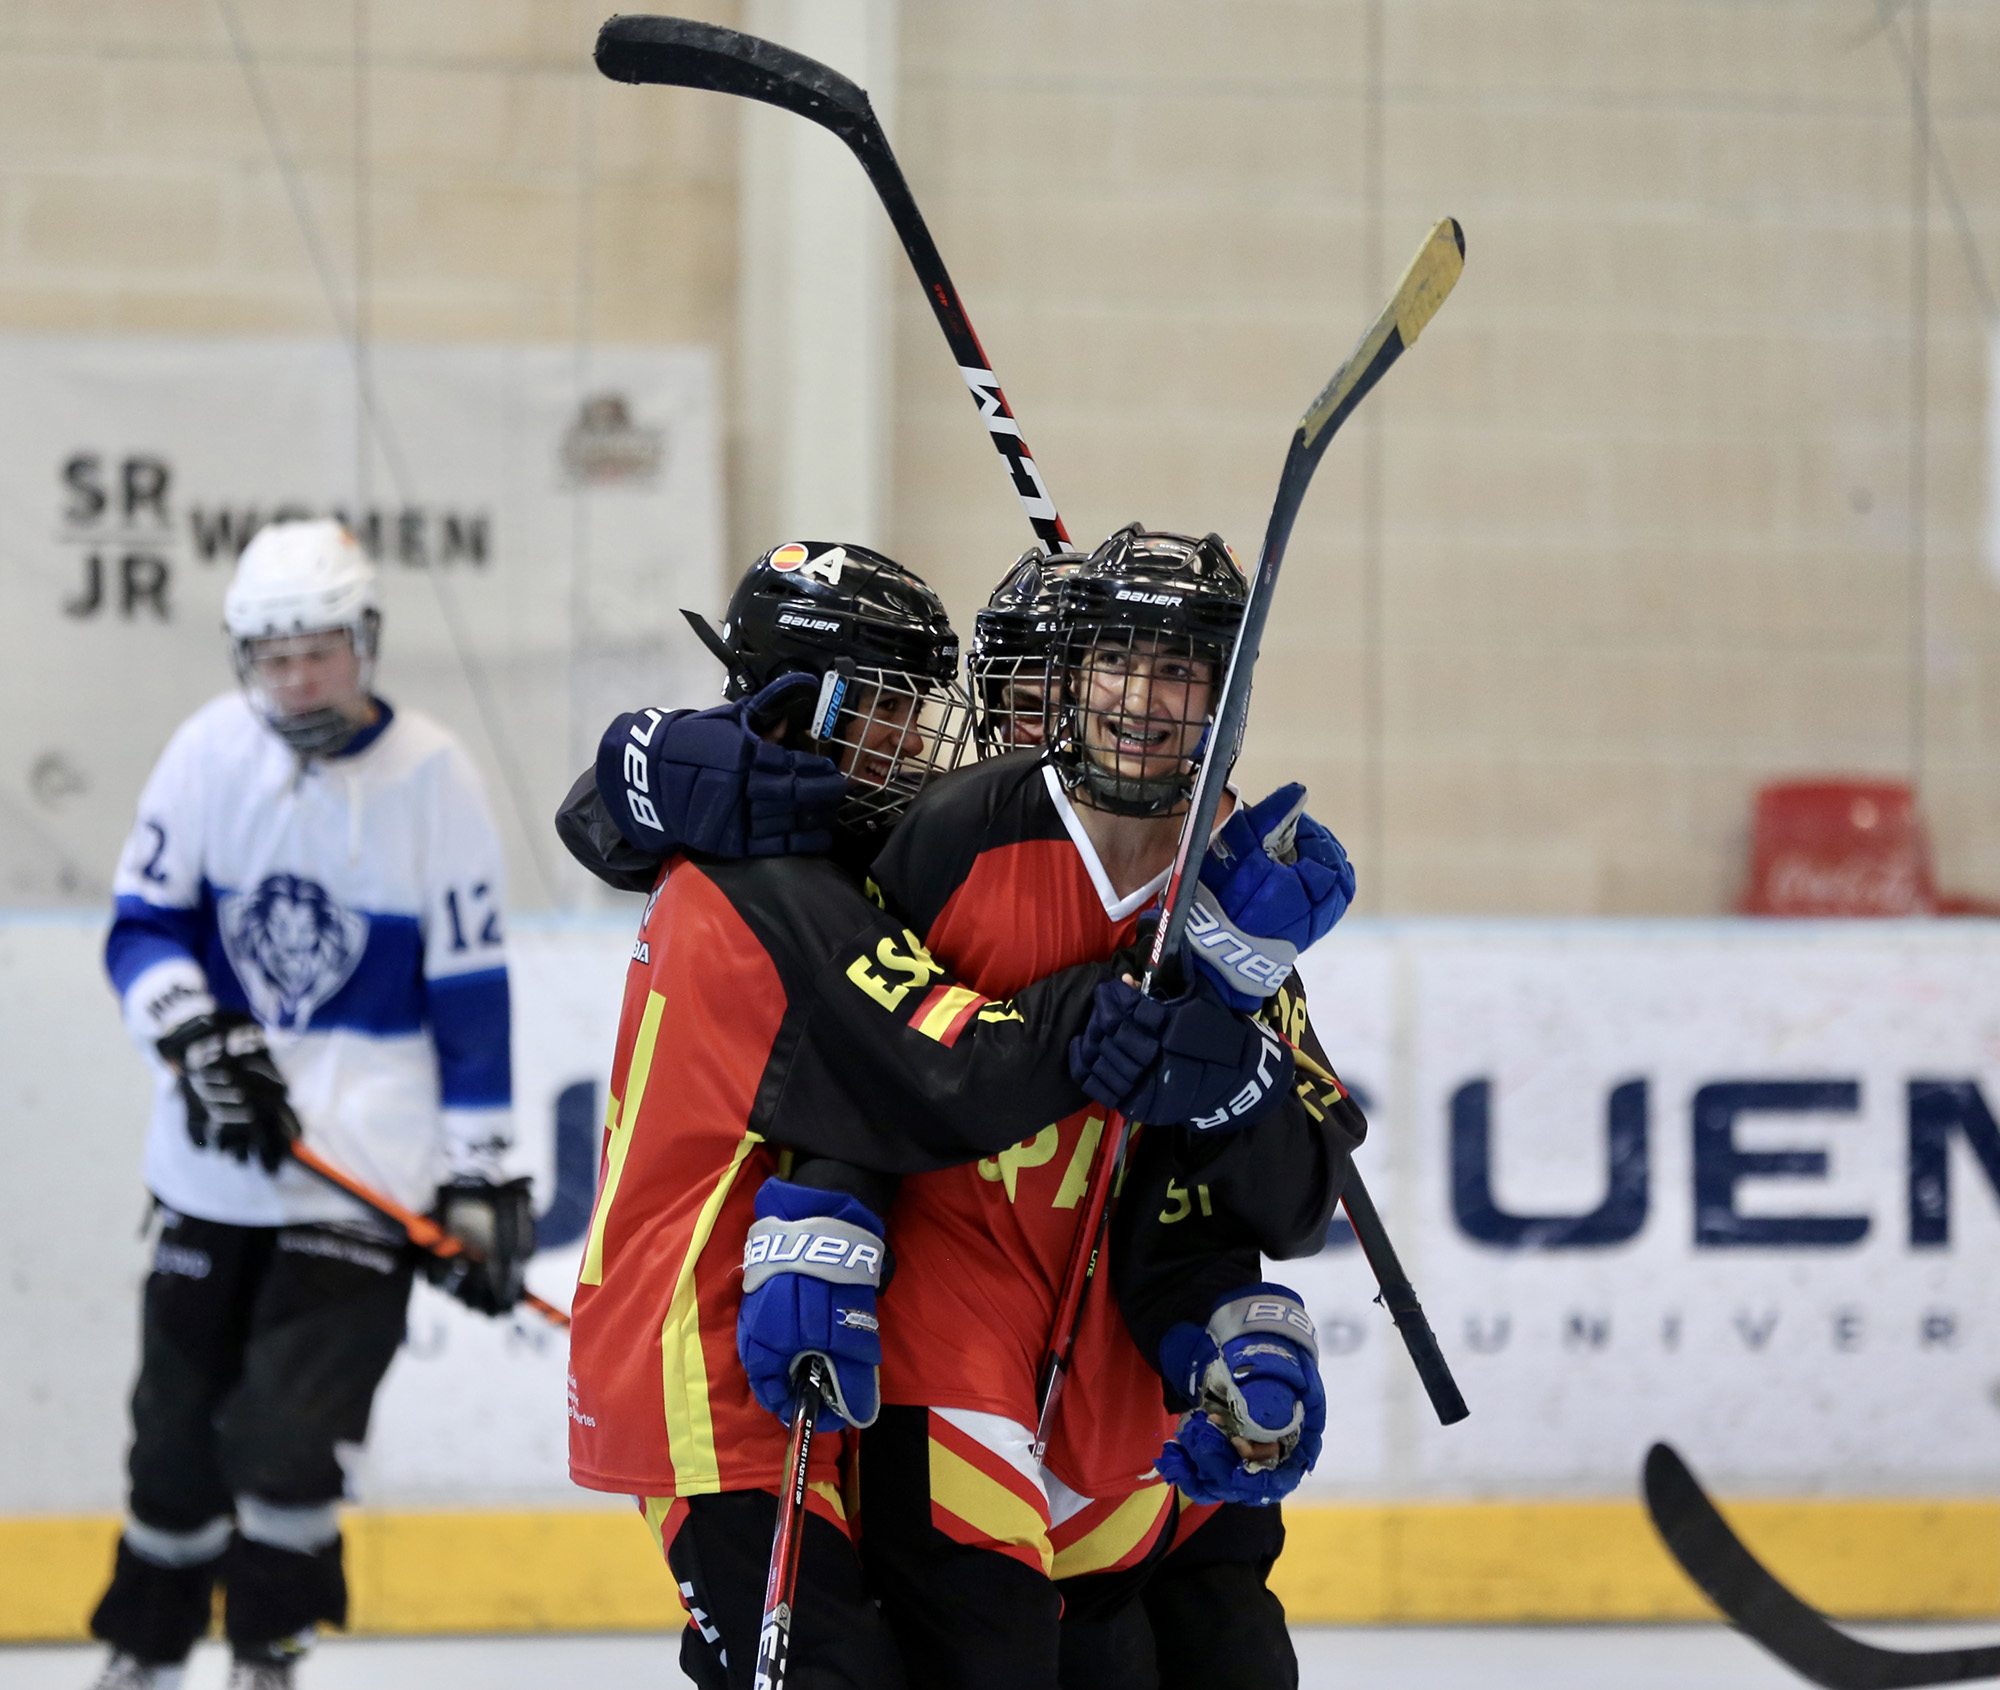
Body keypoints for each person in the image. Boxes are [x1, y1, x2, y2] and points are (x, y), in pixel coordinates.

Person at [557, 540, 1295, 1690]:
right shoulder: (778, 890)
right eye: (891, 712)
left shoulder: (776, 849)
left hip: (755, 1341)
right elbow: (951, 1072)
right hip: (702, 1349)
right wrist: (1107, 1005)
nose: (921, 744)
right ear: (807, 706)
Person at [853, 525, 1364, 1690]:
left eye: (1180, 668)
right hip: (952, 1318)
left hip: (1122, 1371)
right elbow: (851, 1065)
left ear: (1222, 698)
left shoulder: (1232, 875)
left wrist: (1232, 1068)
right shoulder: (956, 831)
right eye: (1115, 662)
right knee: (995, 1652)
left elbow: (1293, 1194)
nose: (1140, 698)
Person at [85, 520, 533, 1690]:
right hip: (209, 1170)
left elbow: (471, 993)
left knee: (285, 1441)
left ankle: (268, 1649)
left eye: (319, 650)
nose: (296, 678)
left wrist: (480, 1174)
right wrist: (192, 1031)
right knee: (174, 1444)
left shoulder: (433, 775)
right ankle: (144, 1648)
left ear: (363, 640)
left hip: (366, 1179)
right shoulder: (203, 753)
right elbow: (142, 927)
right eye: (272, 656)